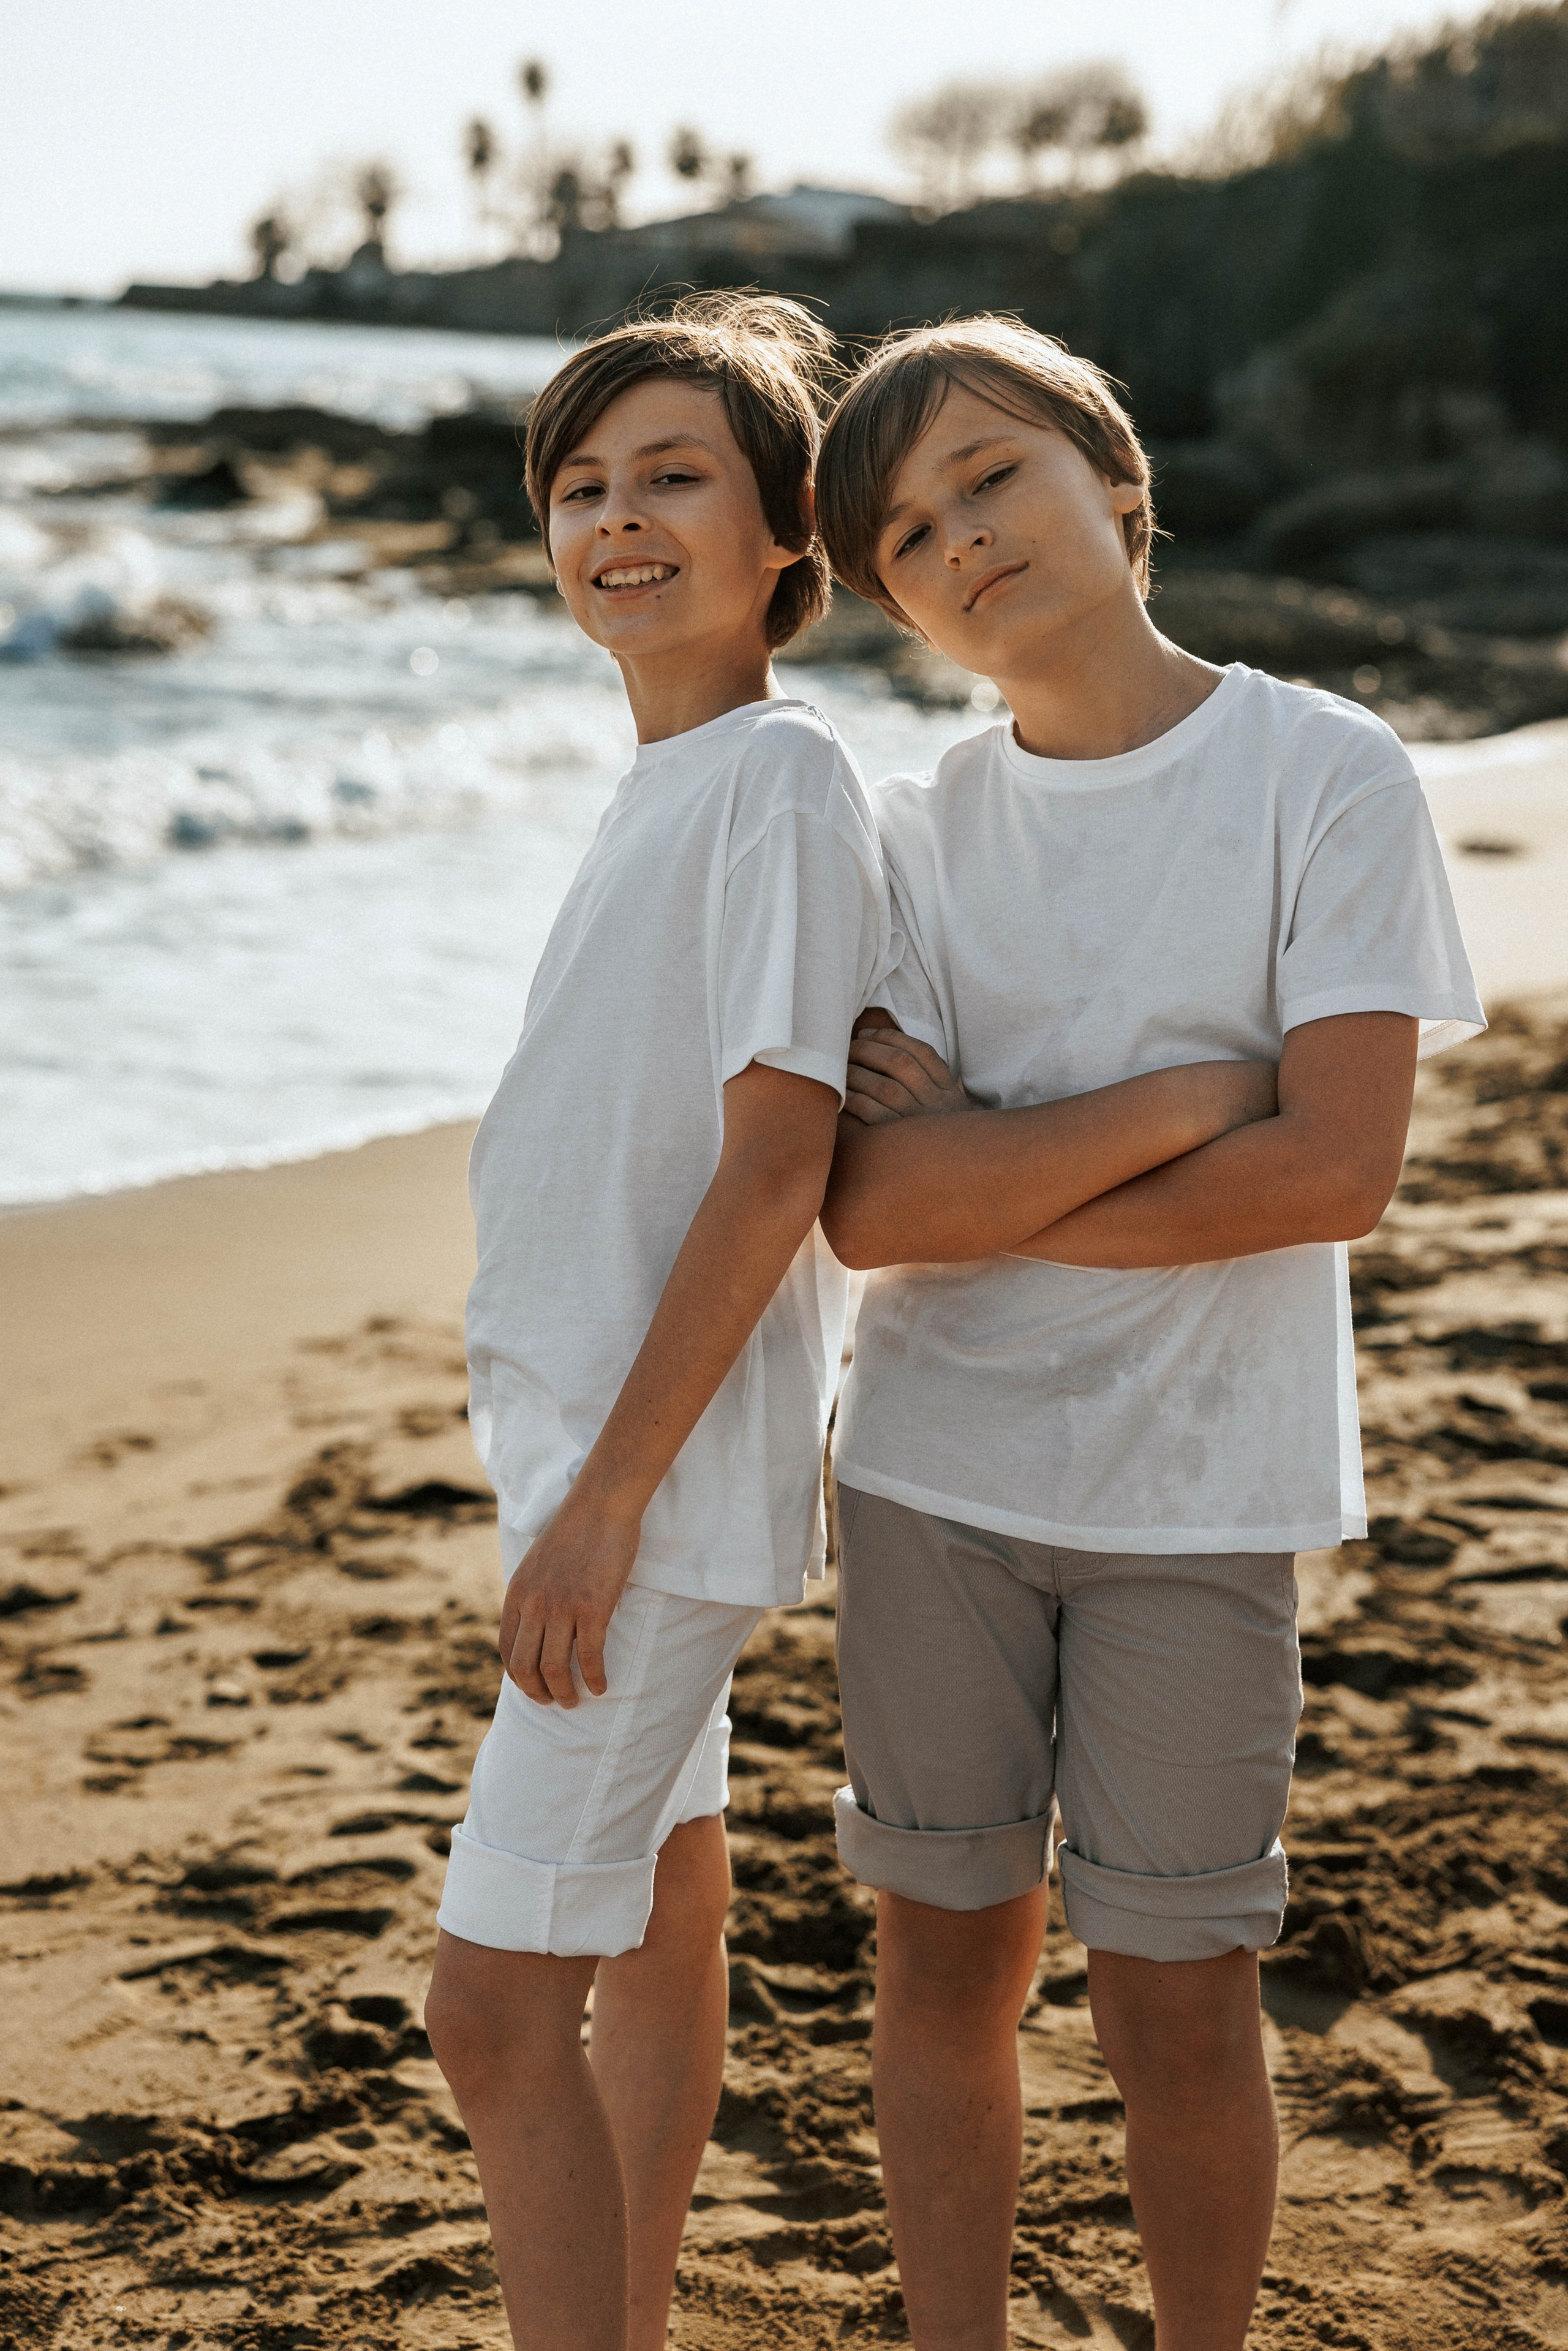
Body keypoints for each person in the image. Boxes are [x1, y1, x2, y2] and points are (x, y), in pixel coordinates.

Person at [422, 295, 1286, 2351]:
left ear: (792, 535)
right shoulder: (679, 783)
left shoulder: (782, 783)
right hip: (594, 1467)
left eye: (674, 478)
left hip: (641, 1490)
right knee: (666, 1917)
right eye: (579, 488)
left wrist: (609, 1502)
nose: (618, 521)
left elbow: (773, 1168)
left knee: (490, 2012)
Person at [813, 317, 1483, 2351]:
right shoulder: (911, 831)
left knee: (1178, 1995)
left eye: (992, 476)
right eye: (907, 535)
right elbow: (873, 1210)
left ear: (1119, 482)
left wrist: (1004, 1169)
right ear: (896, 604)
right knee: (944, 1965)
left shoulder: (1326, 773)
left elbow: (1333, 1173)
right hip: (929, 1475)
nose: (961, 539)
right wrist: (1197, 1099)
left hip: (1203, 1492)